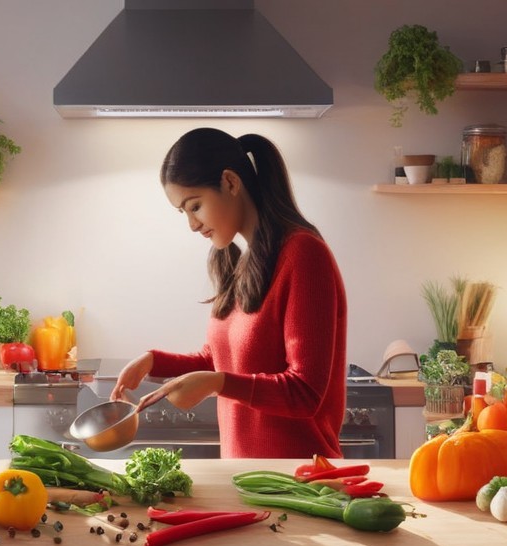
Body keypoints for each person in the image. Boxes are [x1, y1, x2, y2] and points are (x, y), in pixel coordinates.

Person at [111, 128, 348, 459]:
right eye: (184, 212)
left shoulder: (304, 254)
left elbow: (305, 392)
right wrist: (154, 361)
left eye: (195, 206)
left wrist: (217, 383)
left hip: (299, 481)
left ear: (230, 183)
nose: (192, 224)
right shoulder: (245, 260)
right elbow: (222, 360)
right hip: (246, 479)